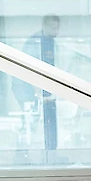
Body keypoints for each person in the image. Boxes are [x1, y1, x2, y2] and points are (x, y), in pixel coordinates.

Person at [13, 14, 61, 151]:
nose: (56, 31)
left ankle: (51, 154)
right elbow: (29, 71)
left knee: (51, 125)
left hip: (47, 93)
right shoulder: (34, 43)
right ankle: (26, 154)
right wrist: (38, 94)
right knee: (31, 126)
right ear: (44, 26)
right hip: (31, 93)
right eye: (53, 27)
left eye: (57, 28)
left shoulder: (52, 42)